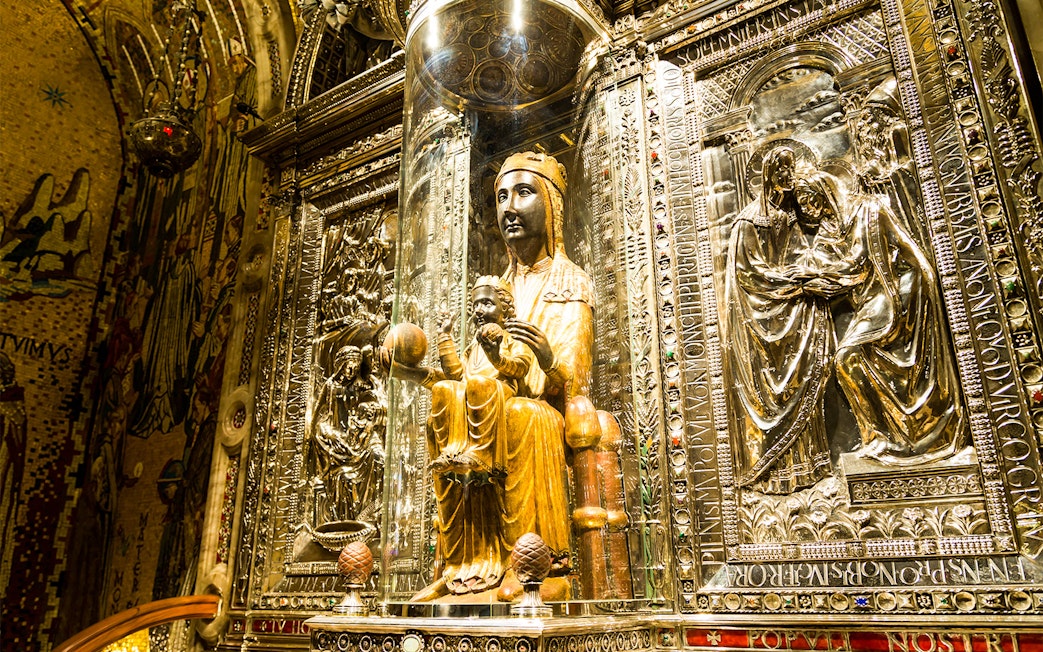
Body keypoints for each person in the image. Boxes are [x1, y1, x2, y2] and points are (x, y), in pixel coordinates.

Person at [724, 146, 849, 494]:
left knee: (813, 350)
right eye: (780, 171)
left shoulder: (789, 217)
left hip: (792, 309)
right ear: (767, 175)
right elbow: (751, 276)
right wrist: (798, 282)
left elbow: (799, 256)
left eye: (790, 170)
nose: (787, 178)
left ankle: (808, 467)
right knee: (775, 388)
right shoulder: (749, 222)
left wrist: (809, 274)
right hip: (761, 314)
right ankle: (774, 472)